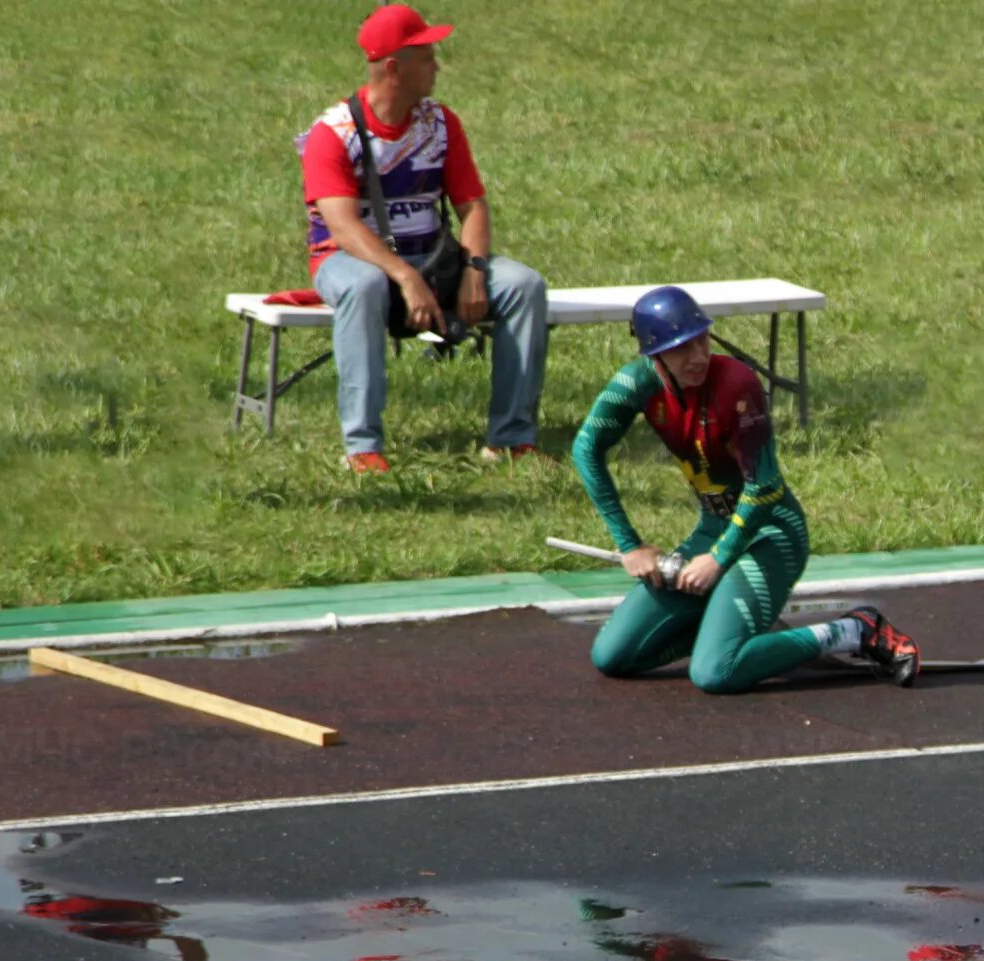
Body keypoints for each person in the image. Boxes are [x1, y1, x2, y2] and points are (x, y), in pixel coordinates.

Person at [571, 286, 920, 693]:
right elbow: (585, 450)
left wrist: (717, 558)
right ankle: (730, 625)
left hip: (770, 532)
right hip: (713, 526)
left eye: (701, 339)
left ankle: (856, 630)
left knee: (716, 672)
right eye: (682, 348)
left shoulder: (737, 384)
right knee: (613, 656)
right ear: (654, 354)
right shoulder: (634, 385)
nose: (698, 356)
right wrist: (629, 544)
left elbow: (764, 485)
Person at [298, 5, 548, 473]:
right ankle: (362, 447)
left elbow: (472, 206)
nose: (438, 65)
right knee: (363, 286)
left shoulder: (441, 123)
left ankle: (512, 438)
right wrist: (404, 276)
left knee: (524, 285)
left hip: (434, 260)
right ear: (394, 67)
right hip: (348, 261)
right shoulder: (332, 134)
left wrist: (475, 270)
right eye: (427, 56)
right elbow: (344, 227)